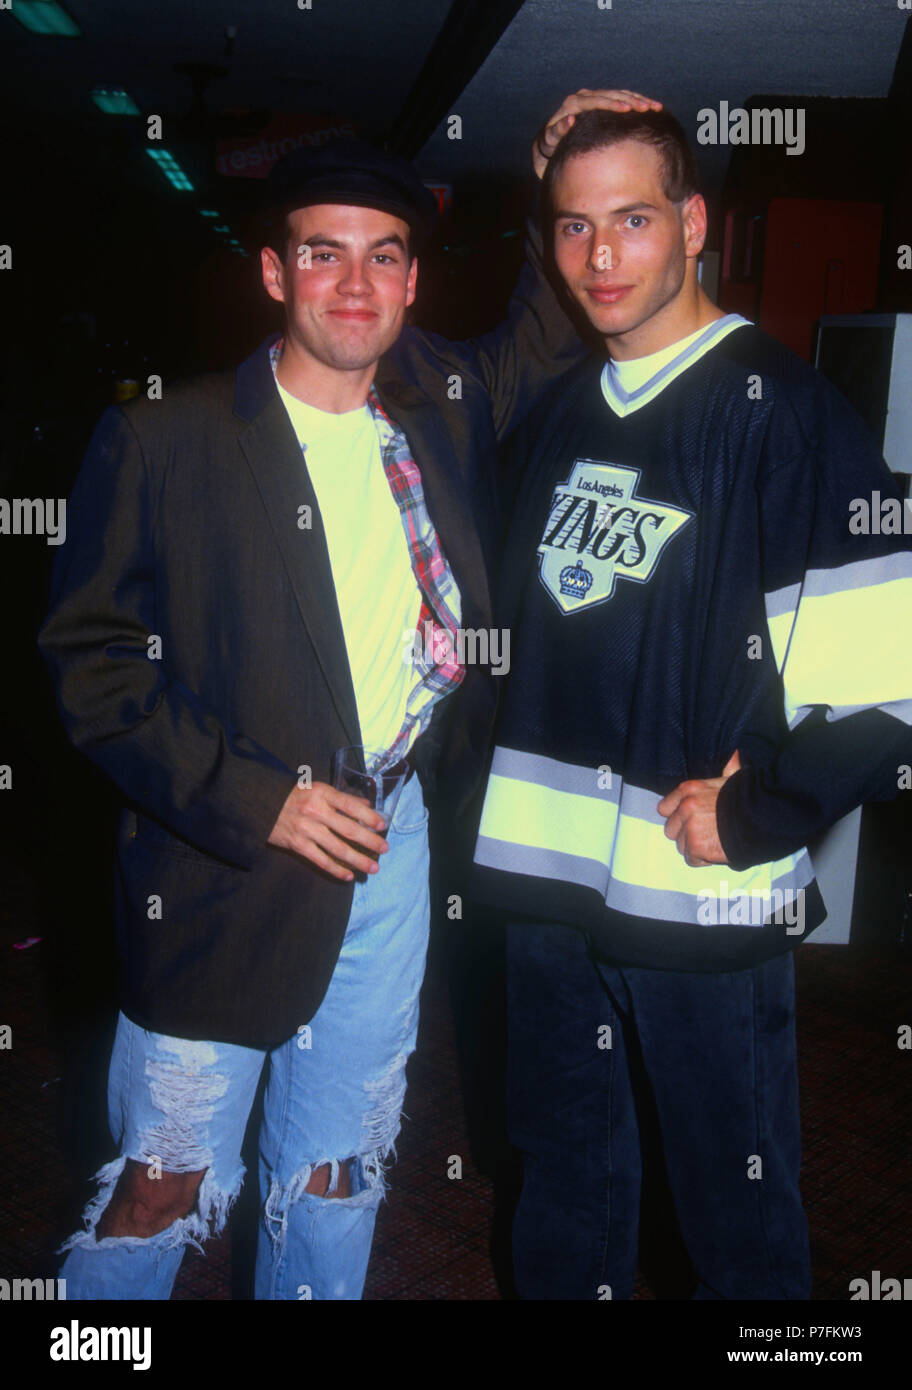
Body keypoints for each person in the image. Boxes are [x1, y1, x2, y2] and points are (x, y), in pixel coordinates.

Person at [37, 91, 658, 1302]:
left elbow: (547, 322)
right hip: (219, 865)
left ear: (414, 284)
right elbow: (94, 664)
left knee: (335, 1167)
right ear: (275, 271)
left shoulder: (441, 406)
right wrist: (257, 799)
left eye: (385, 258)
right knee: (163, 1178)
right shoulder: (169, 438)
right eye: (324, 254)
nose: (357, 286)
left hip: (394, 841)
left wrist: (551, 180)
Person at [471, 106, 912, 1300]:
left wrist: (766, 813)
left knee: (737, 1207)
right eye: (575, 226)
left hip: (699, 888)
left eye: (633, 218)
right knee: (566, 1181)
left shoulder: (782, 410)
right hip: (547, 877)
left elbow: (884, 662)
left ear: (696, 226)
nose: (602, 257)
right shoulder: (563, 410)